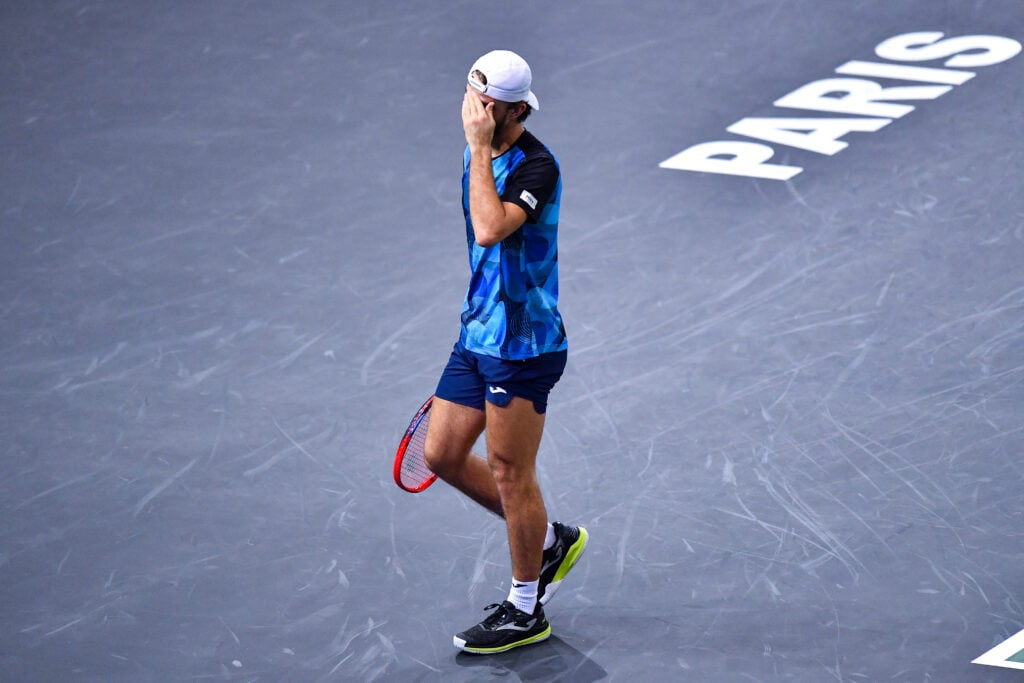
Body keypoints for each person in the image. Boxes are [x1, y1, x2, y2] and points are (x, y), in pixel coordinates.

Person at [422, 49, 588, 655]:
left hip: (523, 348)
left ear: (516, 110)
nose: (472, 113)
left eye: (485, 105)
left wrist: (479, 149)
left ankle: (526, 609)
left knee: (510, 472)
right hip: (477, 336)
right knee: (440, 454)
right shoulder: (480, 148)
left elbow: (490, 228)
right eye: (471, 99)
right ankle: (549, 542)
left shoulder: (537, 169)